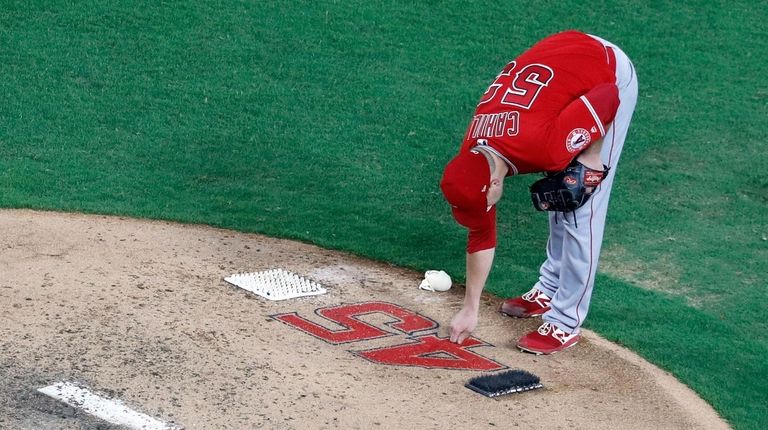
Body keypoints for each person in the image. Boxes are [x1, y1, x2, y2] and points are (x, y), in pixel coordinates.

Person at [440, 30, 638, 355]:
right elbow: (480, 235)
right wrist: (469, 308)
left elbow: (608, 97)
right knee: (560, 184)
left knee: (579, 203)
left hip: (605, 70)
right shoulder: (473, 154)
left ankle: (565, 322)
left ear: (492, 185)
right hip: (558, 74)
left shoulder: (543, 146)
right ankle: (549, 288)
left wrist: (590, 158)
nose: (482, 212)